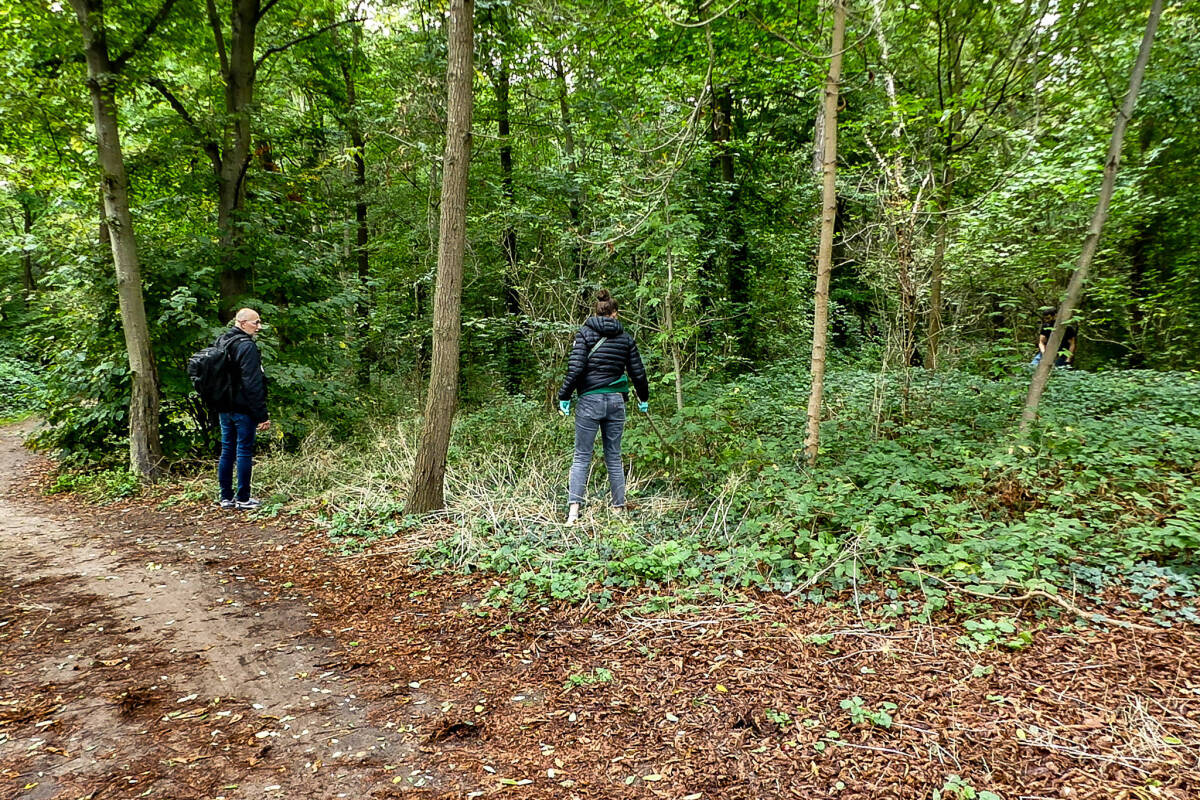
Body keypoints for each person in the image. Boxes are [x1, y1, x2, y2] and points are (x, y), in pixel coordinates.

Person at [557, 290, 650, 525]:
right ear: (615, 313)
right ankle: (618, 510)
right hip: (617, 401)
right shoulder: (626, 338)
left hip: (590, 401)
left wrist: (564, 396)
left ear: (596, 311)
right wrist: (643, 397)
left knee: (581, 456)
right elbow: (637, 372)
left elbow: (575, 369)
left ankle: (573, 513)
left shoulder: (585, 334)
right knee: (614, 457)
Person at [214, 308, 271, 509]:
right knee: (243, 451)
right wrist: (261, 415)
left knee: (227, 450)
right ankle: (244, 498)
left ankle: (226, 498)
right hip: (242, 407)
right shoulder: (246, 347)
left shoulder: (222, 341)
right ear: (242, 322)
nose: (259, 327)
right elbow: (252, 383)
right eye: (255, 323)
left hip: (223, 405)